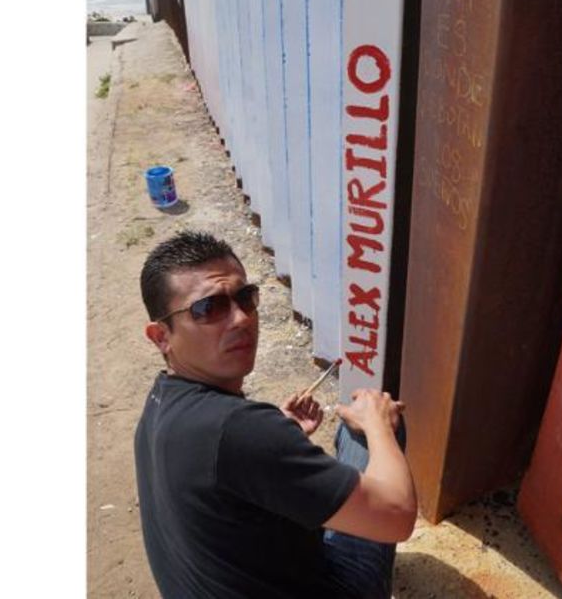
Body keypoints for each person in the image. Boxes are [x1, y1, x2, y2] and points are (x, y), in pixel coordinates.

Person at [134, 231, 416, 598]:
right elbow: (398, 518)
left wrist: (280, 439)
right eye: (208, 308)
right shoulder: (241, 430)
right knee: (364, 429)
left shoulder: (159, 405)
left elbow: (220, 474)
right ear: (161, 337)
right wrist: (379, 425)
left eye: (245, 297)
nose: (240, 319)